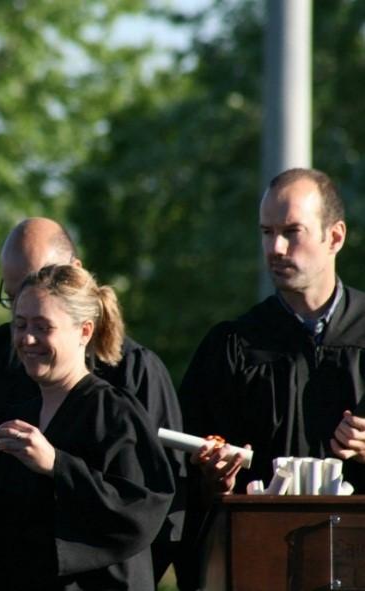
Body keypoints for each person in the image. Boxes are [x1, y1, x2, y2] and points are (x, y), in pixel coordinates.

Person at [0, 217, 186, 583]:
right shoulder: (20, 412)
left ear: (83, 331)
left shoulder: (117, 415)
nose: (27, 340)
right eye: (19, 323)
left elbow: (141, 509)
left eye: (42, 327)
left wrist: (57, 465)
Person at [177, 168, 365, 589]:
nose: (275, 248)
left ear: (334, 237)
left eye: (291, 231)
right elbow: (187, 487)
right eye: (266, 232)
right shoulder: (233, 347)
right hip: (263, 565)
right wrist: (213, 477)